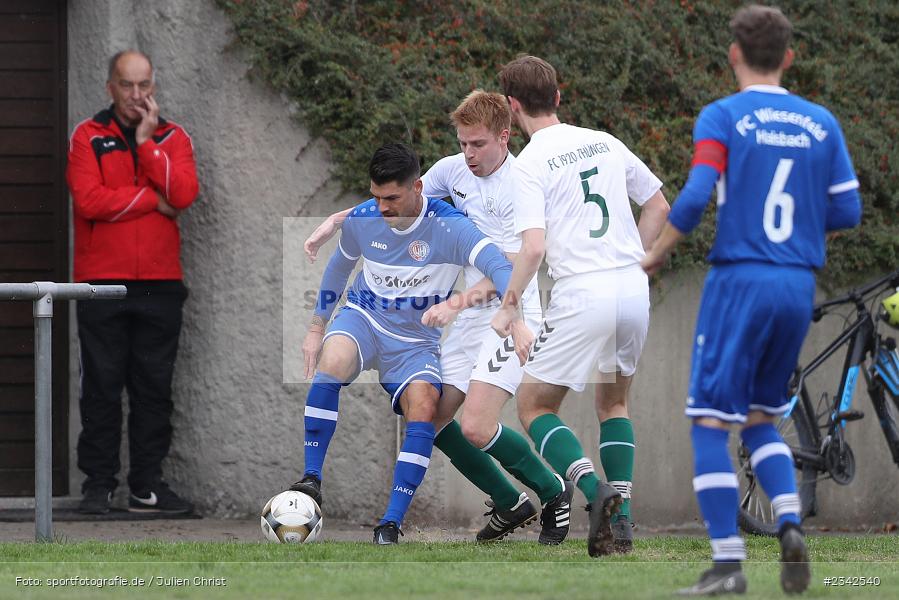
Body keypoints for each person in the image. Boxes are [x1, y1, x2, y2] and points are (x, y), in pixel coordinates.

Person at [641, 5, 862, 595]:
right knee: (763, 416)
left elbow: (692, 198)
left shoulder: (724, 115)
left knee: (710, 422)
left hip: (740, 279)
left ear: (734, 54)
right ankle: (788, 521)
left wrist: (656, 252)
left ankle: (729, 564)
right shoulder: (821, 123)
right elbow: (847, 210)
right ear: (789, 57)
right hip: (796, 284)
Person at [302, 91, 574, 545]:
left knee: (476, 425)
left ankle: (553, 491)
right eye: (462, 143)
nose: (467, 154)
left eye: (477, 145)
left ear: (505, 138)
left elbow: (514, 264)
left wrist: (479, 308)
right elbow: (401, 199)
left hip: (512, 307)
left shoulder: (524, 184)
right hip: (470, 314)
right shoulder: (452, 169)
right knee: (434, 424)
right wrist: (341, 218)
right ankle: (510, 503)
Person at [294, 142, 518, 545]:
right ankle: (311, 480)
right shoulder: (366, 218)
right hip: (365, 317)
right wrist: (315, 328)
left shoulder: (451, 227)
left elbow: (500, 266)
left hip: (416, 342)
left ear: (418, 187)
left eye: (391, 198)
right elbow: (338, 269)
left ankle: (391, 524)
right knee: (333, 358)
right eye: (376, 196)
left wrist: (513, 317)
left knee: (426, 407)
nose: (381, 207)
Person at [491, 56, 671, 557]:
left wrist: (509, 307)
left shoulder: (527, 165)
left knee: (534, 406)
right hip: (632, 288)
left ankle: (597, 495)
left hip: (582, 291)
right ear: (559, 96)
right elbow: (658, 205)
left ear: (511, 107)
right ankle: (624, 526)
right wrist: (635, 258)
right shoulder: (605, 142)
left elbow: (532, 248)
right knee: (615, 403)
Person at [66, 50, 199, 514]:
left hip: (161, 284)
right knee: (101, 387)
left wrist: (146, 144)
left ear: (154, 88)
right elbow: (89, 201)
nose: (137, 96)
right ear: (110, 87)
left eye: (145, 86)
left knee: (153, 391)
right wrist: (150, 198)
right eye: (127, 85)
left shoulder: (172, 137)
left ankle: (146, 488)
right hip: (101, 283)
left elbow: (182, 195)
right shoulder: (87, 135)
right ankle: (97, 487)